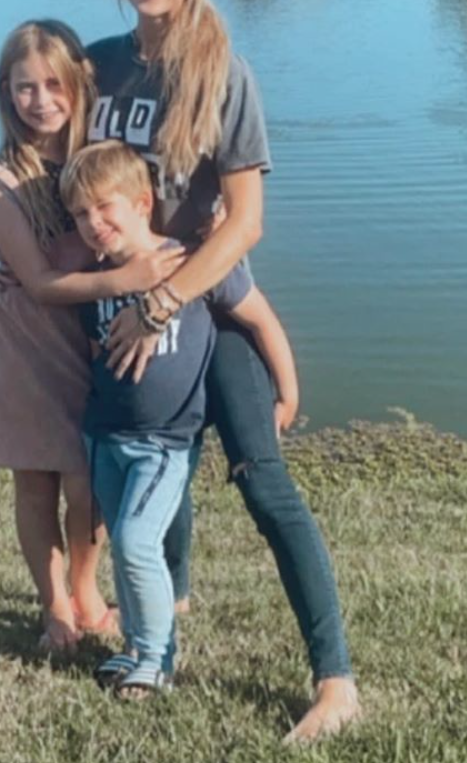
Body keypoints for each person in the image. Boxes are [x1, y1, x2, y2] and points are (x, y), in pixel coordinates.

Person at [85, 0, 362, 739]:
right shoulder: (96, 64)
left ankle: (336, 681)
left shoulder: (223, 75)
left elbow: (245, 221)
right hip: (115, 312)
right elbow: (38, 159)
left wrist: (165, 296)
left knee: (265, 483)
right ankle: (175, 592)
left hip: (208, 312)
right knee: (140, 452)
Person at [0, 20, 182, 653]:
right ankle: (55, 604)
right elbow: (39, 281)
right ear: (5, 93)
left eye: (54, 84)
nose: (41, 100)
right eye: (24, 87)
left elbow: (150, 207)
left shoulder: (102, 156)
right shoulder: (1, 175)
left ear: (80, 85)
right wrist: (129, 280)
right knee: (36, 478)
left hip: (91, 337)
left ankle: (86, 587)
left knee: (92, 475)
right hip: (22, 338)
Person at [59, 139, 299, 698]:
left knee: (140, 542)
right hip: (106, 440)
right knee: (124, 543)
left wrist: (286, 392)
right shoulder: (96, 282)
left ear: (143, 203)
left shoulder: (195, 263)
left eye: (104, 207)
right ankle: (140, 646)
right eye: (79, 214)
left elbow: (262, 321)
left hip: (166, 444)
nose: (92, 223)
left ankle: (160, 658)